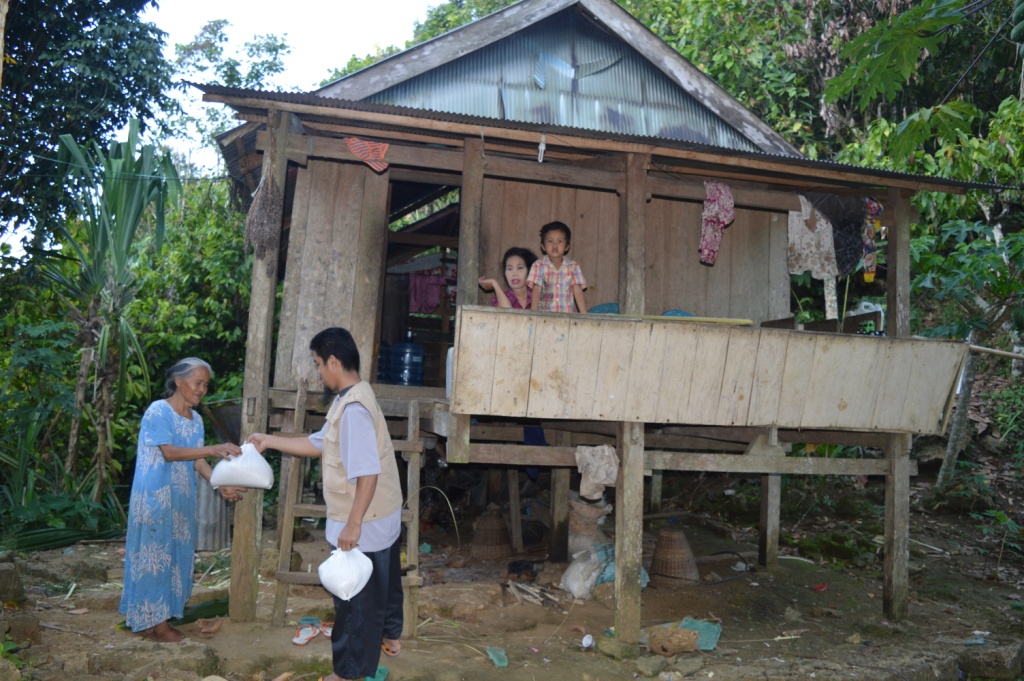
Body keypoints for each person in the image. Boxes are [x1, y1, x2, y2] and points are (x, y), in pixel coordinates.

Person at [248, 327, 403, 681]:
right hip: (381, 515)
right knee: (385, 583)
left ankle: (349, 673)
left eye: (319, 363)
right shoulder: (354, 397)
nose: (318, 371)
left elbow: (367, 474)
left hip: (366, 519)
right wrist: (269, 440)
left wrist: (353, 524)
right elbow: (321, 442)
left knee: (355, 605)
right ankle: (391, 636)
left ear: (334, 361)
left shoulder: (353, 410)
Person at [119, 357, 245, 643]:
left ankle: (156, 620)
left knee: (175, 556)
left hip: (181, 498)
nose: (202, 389)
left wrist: (219, 484)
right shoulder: (158, 412)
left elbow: (197, 461)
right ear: (178, 381)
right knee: (154, 556)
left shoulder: (196, 420)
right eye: (197, 383)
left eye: (205, 385)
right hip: (155, 496)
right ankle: (154, 624)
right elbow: (170, 453)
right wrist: (214, 448)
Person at [527, 220, 588, 313]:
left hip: (566, 317)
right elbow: (537, 288)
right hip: (544, 317)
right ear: (543, 246)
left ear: (567, 246)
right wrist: (533, 312)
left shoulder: (573, 267)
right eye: (550, 241)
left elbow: (577, 290)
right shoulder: (538, 265)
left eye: (560, 241)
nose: (555, 245)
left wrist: (584, 314)